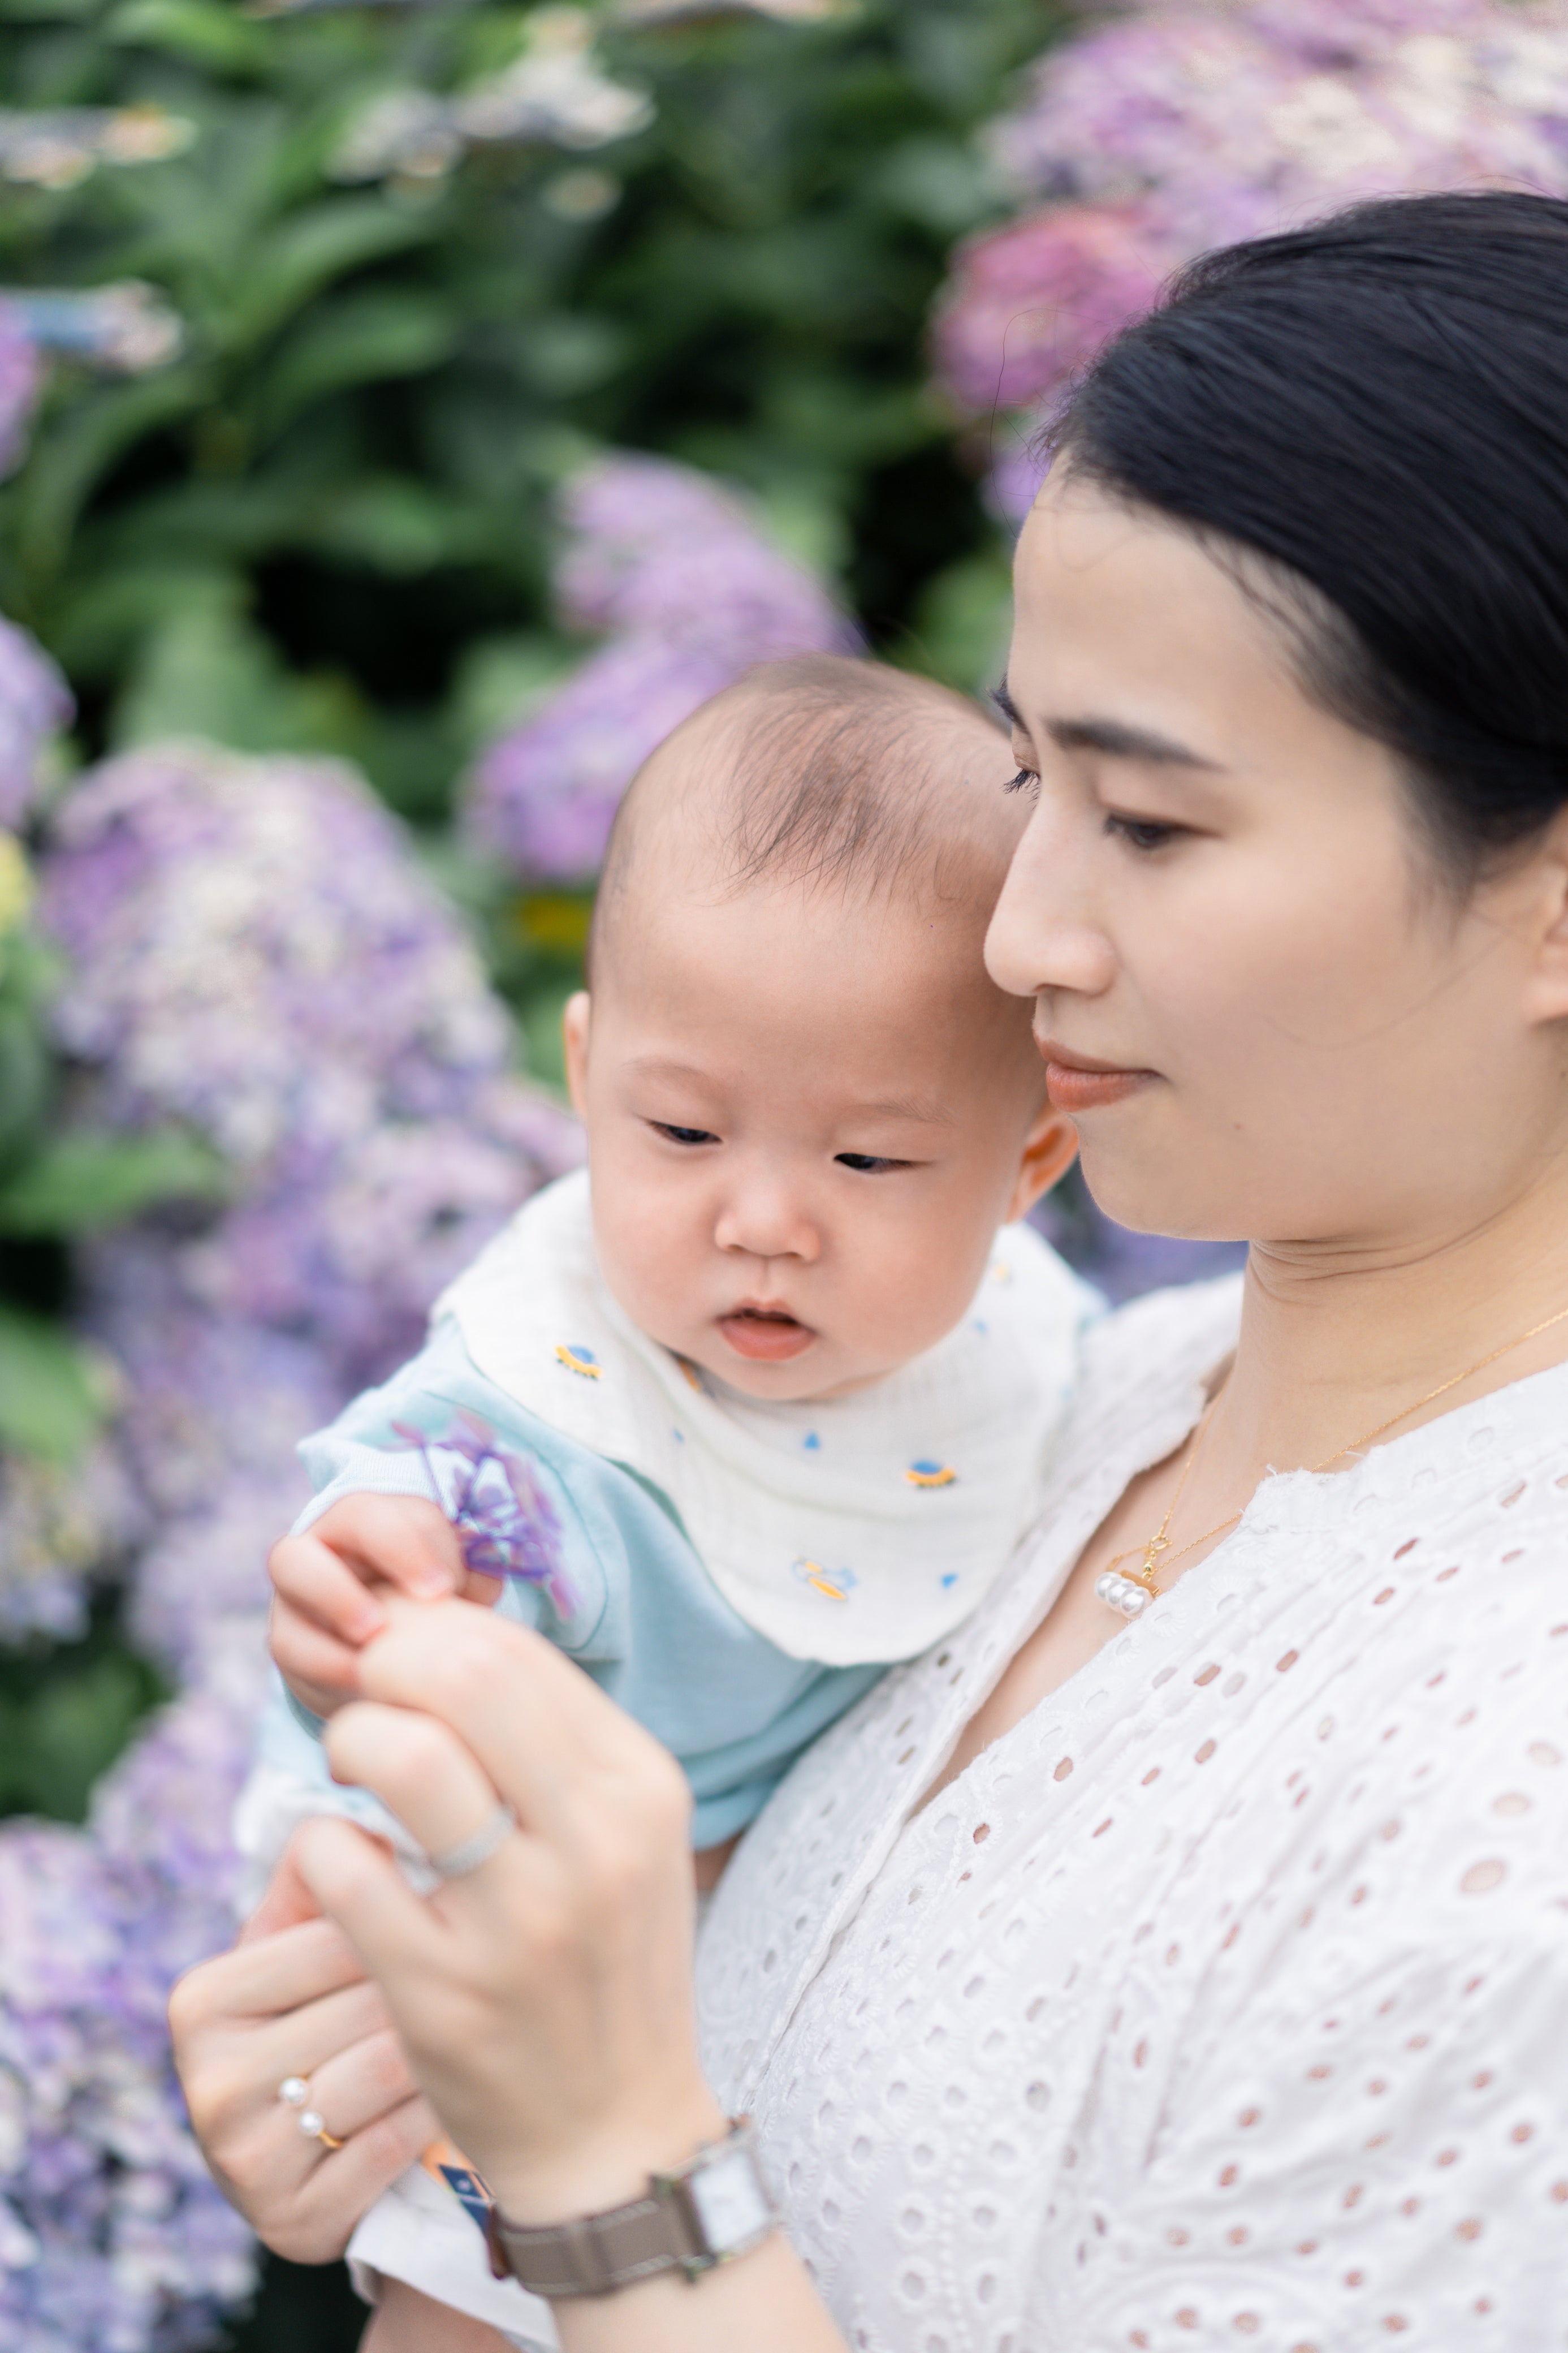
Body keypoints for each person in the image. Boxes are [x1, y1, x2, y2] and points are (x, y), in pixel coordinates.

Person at [174, 188, 1568, 2351]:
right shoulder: (1021, 1399)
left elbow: (634, 2158)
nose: (1018, 934)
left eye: (1152, 822)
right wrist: (404, 2085)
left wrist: (607, 2170)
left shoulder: (1513, 1802)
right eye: (1030, 778)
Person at [243, 653, 1091, 2329]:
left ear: (1030, 1168)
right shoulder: (557, 1414)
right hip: (490, 1960)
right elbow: (438, 1490)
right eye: (685, 1133)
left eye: (869, 1159)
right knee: (462, 2301)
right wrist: (385, 1569)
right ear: (585, 1076)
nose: (763, 1220)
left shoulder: (1043, 1355)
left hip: (753, 2036)